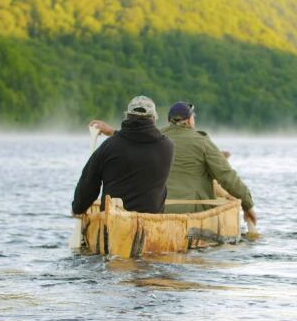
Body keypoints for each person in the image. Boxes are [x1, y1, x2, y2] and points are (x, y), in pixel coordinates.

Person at [91, 102, 257, 225]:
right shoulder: (202, 142)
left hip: (157, 209)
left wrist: (111, 132)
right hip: (192, 211)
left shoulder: (156, 138)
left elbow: (130, 140)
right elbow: (228, 177)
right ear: (190, 121)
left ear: (169, 120)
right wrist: (248, 205)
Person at [72, 96, 174, 215]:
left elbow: (88, 186)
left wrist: (77, 209)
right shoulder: (167, 147)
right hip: (151, 225)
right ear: (154, 118)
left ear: (127, 116)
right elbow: (137, 142)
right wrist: (113, 133)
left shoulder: (109, 147)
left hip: (114, 224)